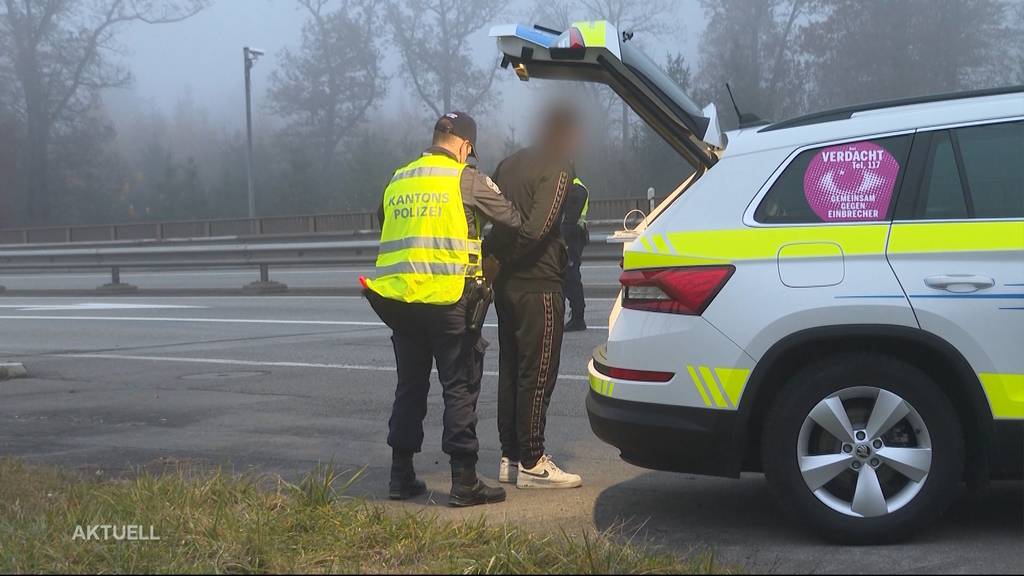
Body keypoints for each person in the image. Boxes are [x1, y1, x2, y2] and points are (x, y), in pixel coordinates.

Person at [362, 112, 521, 507]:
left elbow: (382, 219)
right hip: (449, 299)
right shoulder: (464, 178)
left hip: (400, 301)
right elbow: (513, 219)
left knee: (410, 386)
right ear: (466, 147)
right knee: (459, 387)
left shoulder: (399, 178)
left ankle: (401, 476)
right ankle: (464, 481)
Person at [483, 103, 584, 490]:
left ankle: (510, 458)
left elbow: (494, 217)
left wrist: (494, 258)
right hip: (539, 285)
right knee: (538, 374)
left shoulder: (509, 164)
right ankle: (533, 460)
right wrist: (505, 256)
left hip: (506, 286)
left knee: (511, 372)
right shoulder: (558, 165)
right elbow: (538, 228)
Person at [561, 174, 590, 332]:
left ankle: (578, 318)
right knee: (565, 277)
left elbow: (569, 220)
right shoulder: (571, 187)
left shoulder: (576, 189)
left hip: (572, 238)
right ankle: (575, 316)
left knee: (571, 276)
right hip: (571, 237)